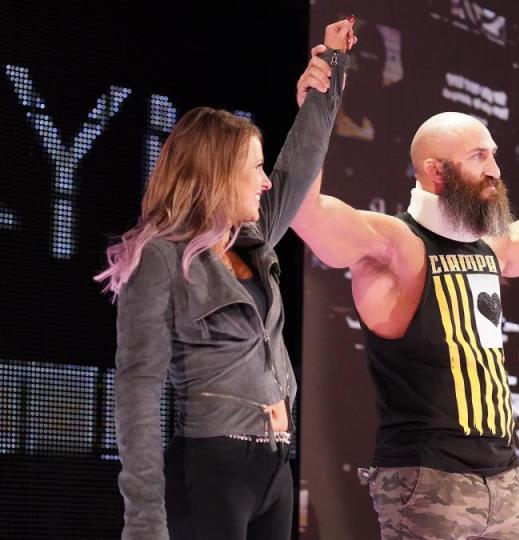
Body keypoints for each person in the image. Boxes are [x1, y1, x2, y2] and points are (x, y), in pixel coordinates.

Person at [290, 80, 519, 539]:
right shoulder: (395, 244)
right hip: (428, 476)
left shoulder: (491, 246)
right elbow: (306, 212)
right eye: (480, 156)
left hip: (502, 478)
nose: (495, 169)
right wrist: (316, 110)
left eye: (493, 154)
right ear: (436, 171)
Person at [94, 19, 355, 540]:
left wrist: (331, 67)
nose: (264, 182)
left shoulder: (251, 241)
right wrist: (144, 517)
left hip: (275, 469)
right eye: (254, 169)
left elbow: (295, 170)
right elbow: (137, 390)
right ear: (215, 174)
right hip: (211, 471)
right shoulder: (160, 260)